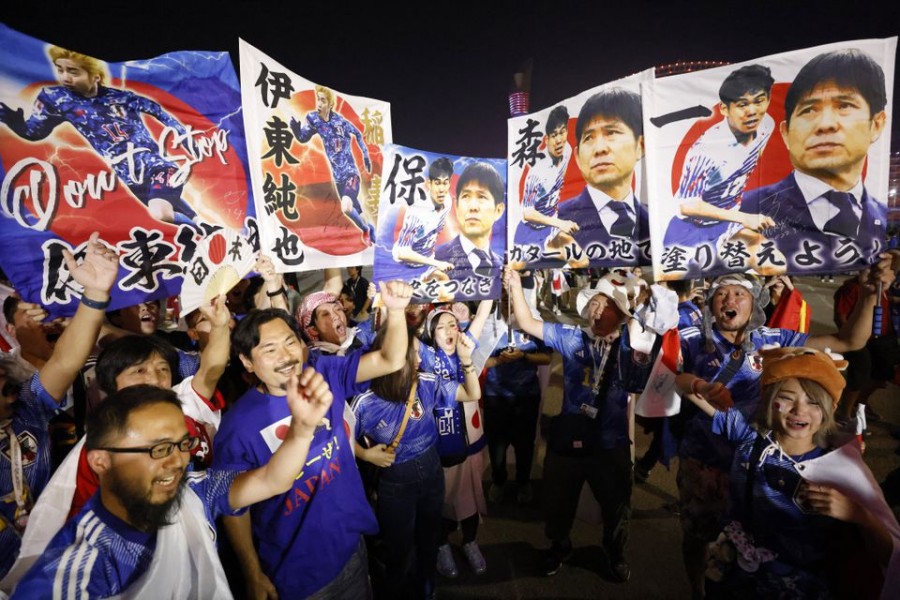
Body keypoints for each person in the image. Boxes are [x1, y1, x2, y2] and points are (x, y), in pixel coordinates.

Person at [672, 256, 894, 598]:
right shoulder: (689, 335)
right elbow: (671, 378)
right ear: (710, 302)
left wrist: (867, 296)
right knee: (698, 534)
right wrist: (698, 385)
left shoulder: (774, 338)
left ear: (755, 301)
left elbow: (849, 341)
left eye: (739, 293)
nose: (729, 300)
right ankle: (697, 589)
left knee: (760, 539)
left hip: (764, 460)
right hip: (706, 461)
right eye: (721, 293)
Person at [11, 374, 334, 599]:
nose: (178, 461)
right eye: (159, 449)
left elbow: (271, 480)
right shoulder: (77, 571)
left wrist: (303, 430)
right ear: (100, 462)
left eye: (183, 444)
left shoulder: (194, 492)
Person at [214, 280, 412, 599]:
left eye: (290, 342)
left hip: (351, 547)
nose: (286, 356)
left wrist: (398, 311)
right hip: (298, 575)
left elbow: (390, 360)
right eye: (269, 349)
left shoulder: (323, 373)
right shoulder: (237, 428)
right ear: (247, 362)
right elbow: (234, 507)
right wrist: (252, 572)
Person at [682, 347, 898, 598]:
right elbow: (684, 386)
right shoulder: (749, 438)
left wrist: (857, 514)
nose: (799, 410)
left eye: (813, 401)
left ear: (829, 409)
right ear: (768, 401)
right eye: (786, 397)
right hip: (732, 574)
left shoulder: (839, 466)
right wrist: (703, 386)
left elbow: (890, 557)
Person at [505, 268, 637, 582]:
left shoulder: (633, 346)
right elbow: (526, 323)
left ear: (620, 314)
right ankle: (559, 545)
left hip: (612, 442)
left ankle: (615, 550)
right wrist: (513, 287)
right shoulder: (571, 337)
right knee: (558, 498)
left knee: (617, 505)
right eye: (593, 304)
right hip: (570, 437)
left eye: (605, 305)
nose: (596, 309)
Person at [0, 232, 118, 579]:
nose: (10, 393)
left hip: (54, 565)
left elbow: (65, 363)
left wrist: (96, 293)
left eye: (7, 385)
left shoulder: (25, 411)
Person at [0, 46, 197, 227]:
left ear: (95, 76)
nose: (65, 77)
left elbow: (158, 111)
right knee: (169, 205)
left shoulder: (122, 97)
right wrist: (16, 123)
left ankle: (199, 229)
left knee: (161, 213)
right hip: (129, 176)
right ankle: (203, 225)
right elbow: (35, 132)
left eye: (73, 72)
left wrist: (183, 134)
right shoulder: (56, 99)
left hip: (156, 165)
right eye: (60, 69)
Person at [352, 326, 481, 599]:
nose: (420, 358)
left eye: (418, 352)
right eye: (412, 353)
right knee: (399, 550)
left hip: (433, 471)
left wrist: (466, 360)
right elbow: (338, 438)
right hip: (395, 482)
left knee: (429, 541)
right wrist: (364, 454)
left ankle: (427, 590)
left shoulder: (425, 382)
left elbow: (471, 394)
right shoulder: (366, 401)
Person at [740, 49, 888, 275]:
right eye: (809, 110)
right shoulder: (747, 209)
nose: (825, 124)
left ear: (876, 124)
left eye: (844, 105)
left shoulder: (880, 217)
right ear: (786, 133)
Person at [663, 65, 778, 278]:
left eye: (759, 101)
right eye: (742, 104)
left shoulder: (766, 125)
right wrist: (743, 216)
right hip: (692, 229)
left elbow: (747, 165)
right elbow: (688, 205)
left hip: (727, 224)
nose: (752, 111)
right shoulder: (706, 151)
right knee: (685, 286)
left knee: (771, 262)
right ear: (724, 109)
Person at [557, 88, 649, 267]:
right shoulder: (557, 221)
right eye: (589, 138)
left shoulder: (657, 223)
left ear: (641, 145)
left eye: (612, 133)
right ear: (577, 156)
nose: (599, 148)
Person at [482, 291, 551, 504]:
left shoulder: (533, 324)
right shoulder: (488, 326)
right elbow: (478, 359)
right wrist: (500, 360)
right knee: (497, 444)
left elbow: (547, 357)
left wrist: (524, 356)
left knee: (524, 443)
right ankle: (499, 480)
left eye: (513, 302)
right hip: (496, 395)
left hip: (526, 395)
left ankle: (523, 481)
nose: (508, 306)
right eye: (504, 302)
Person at [290, 85, 374, 243]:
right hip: (338, 178)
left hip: (350, 173)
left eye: (323, 100)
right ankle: (369, 228)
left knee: (346, 207)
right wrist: (295, 130)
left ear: (330, 104)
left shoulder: (340, 122)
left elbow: (357, 133)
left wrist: (366, 155)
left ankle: (366, 230)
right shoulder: (314, 119)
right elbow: (302, 138)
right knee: (355, 207)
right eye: (318, 99)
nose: (319, 103)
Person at [512, 105, 585, 268]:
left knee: (582, 261)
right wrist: (560, 223)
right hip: (530, 229)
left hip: (552, 226)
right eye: (554, 135)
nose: (559, 139)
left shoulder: (566, 151)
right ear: (547, 139)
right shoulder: (537, 171)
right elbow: (528, 213)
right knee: (516, 271)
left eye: (562, 132)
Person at [434, 162, 505, 298]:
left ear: (498, 210)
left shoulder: (501, 265)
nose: (473, 207)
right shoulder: (436, 259)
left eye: (482, 197)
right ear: (456, 206)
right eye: (466, 196)